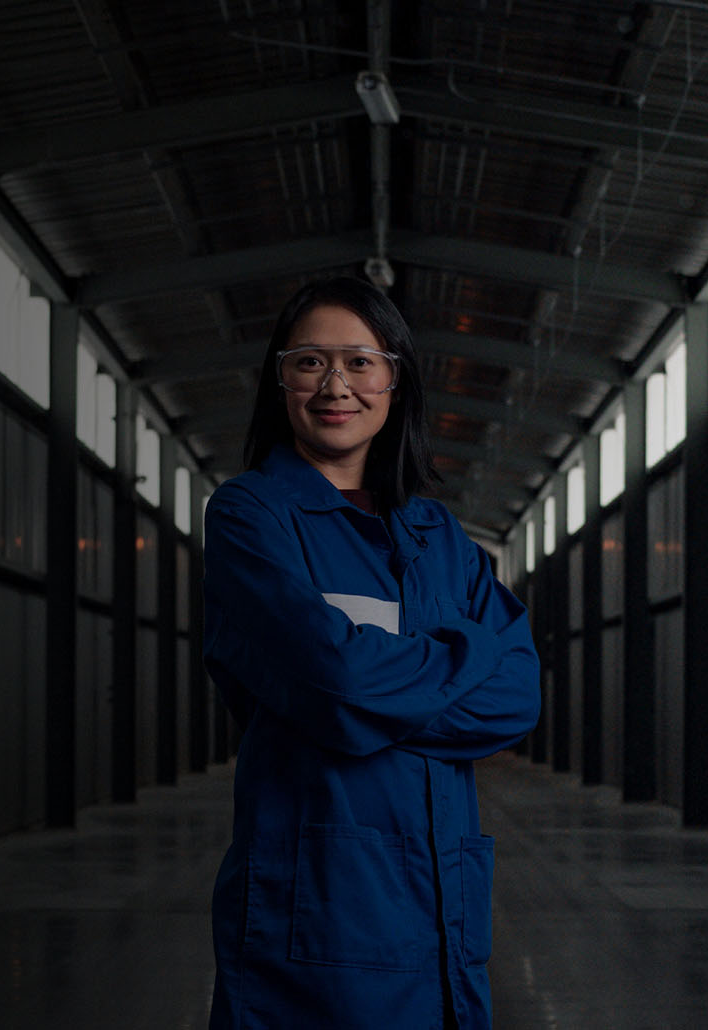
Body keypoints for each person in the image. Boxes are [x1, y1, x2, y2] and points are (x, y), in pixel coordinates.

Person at [202, 277, 542, 1030]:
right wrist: (462, 651)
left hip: (444, 913)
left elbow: (518, 698)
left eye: (360, 362)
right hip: (322, 906)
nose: (336, 385)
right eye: (308, 362)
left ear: (395, 379)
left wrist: (367, 689)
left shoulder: (440, 537)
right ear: (279, 379)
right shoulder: (251, 518)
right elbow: (337, 680)